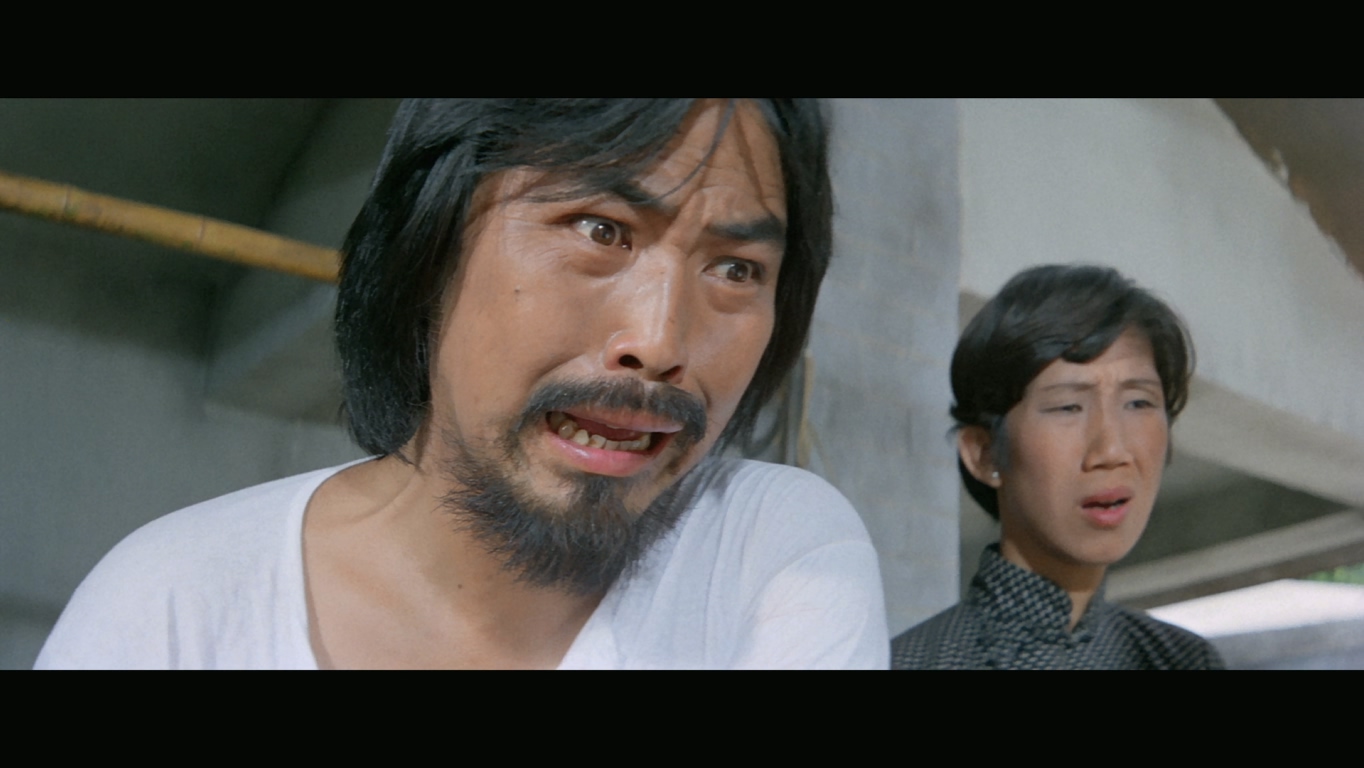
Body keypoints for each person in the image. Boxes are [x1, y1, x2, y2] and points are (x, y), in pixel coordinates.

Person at [36, 99, 888, 669]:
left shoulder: (765, 558)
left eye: (736, 269)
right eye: (601, 229)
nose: (661, 343)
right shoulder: (173, 603)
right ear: (430, 242)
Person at [891, 264, 1223, 670]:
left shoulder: (1182, 661)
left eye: (1138, 402)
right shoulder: (906, 663)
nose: (1112, 450)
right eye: (1068, 406)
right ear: (984, 453)